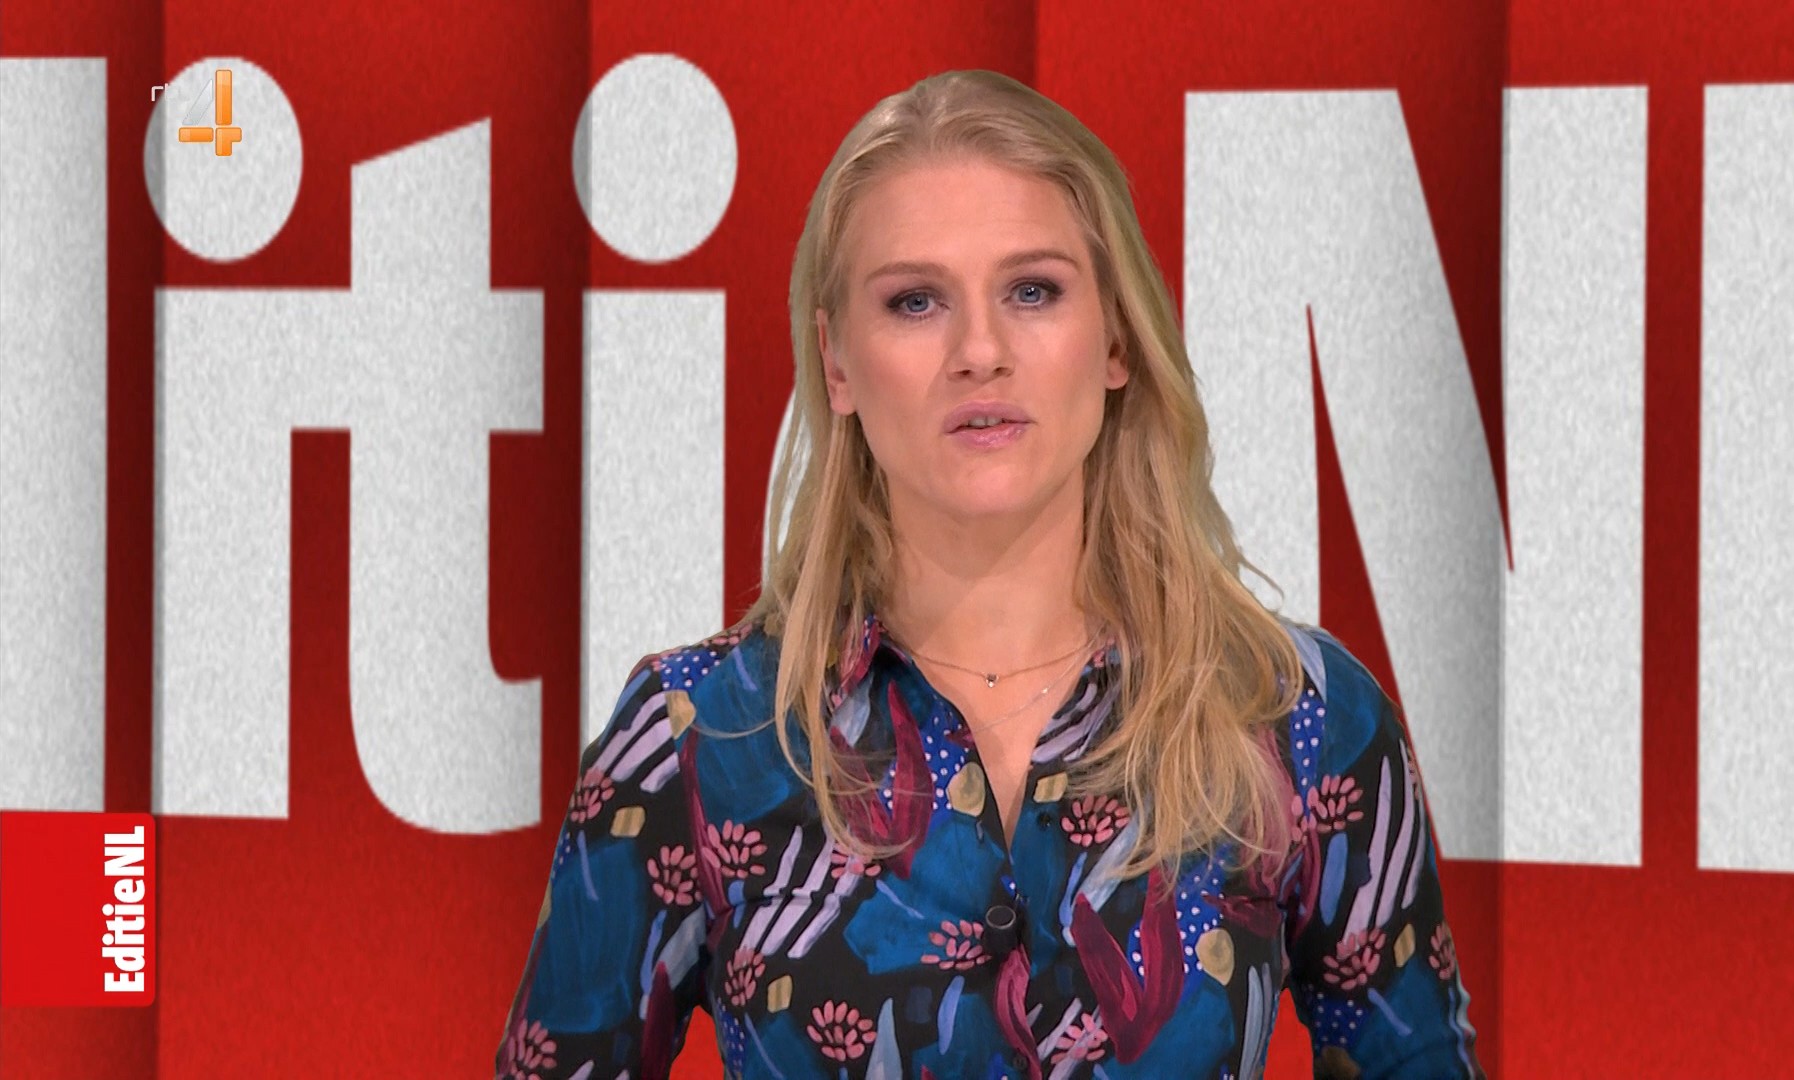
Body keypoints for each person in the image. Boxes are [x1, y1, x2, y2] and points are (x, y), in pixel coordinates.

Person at [496, 69, 1485, 1080]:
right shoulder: (698, 734)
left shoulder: (1293, 713)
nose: (980, 350)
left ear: (1115, 337)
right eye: (915, 301)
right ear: (837, 363)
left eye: (1033, 291)